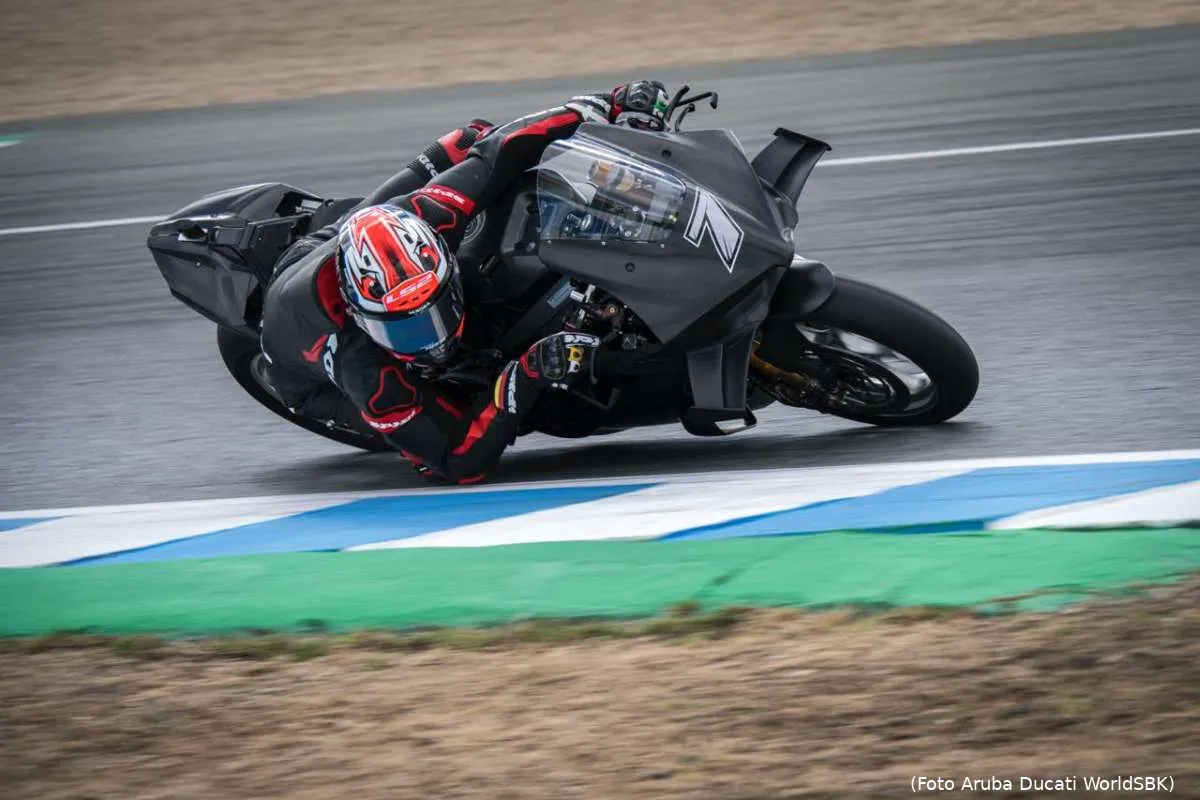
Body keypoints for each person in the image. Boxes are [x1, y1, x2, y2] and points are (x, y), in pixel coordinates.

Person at [259, 80, 671, 484]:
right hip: (305, 375)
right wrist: (525, 375)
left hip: (344, 238)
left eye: (434, 310)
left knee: (468, 139)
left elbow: (500, 152)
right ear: (360, 314)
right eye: (402, 328)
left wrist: (608, 105)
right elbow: (460, 461)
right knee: (449, 424)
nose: (430, 339)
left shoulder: (431, 214)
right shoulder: (362, 366)